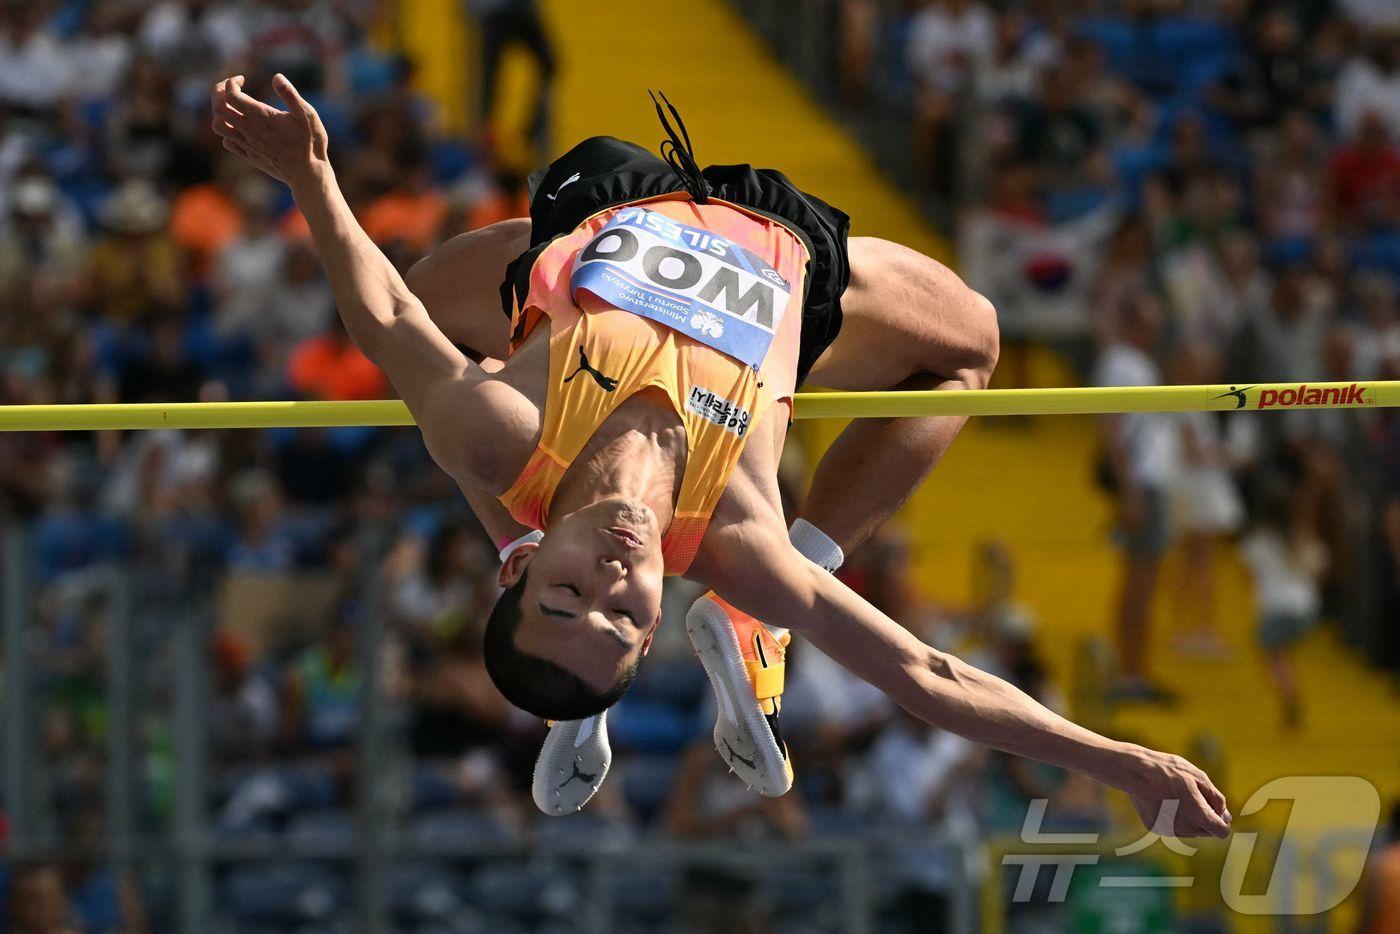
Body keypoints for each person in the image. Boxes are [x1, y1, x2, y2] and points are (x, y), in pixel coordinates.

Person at [209, 73, 1232, 840]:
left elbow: (386, 310)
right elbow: (923, 674)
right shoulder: (740, 538)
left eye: (567, 595)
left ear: (523, 565)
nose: (610, 581)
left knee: (435, 322)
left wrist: (312, 175)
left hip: (611, 205)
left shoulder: (498, 435)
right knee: (969, 341)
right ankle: (750, 626)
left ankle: (574, 674)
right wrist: (1117, 760)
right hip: (775, 252)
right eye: (623, 619)